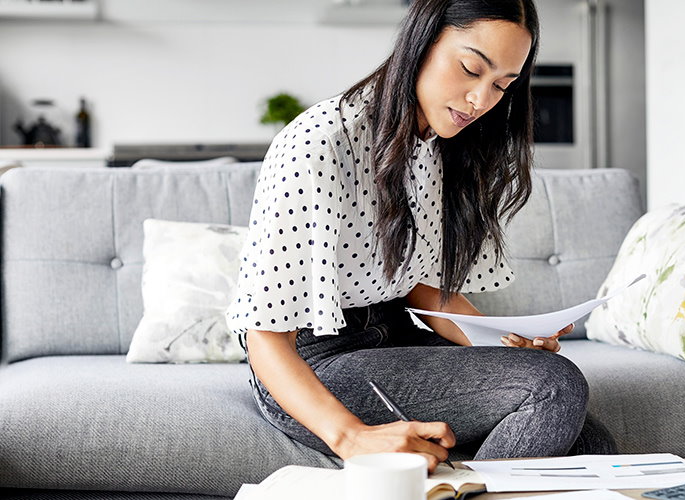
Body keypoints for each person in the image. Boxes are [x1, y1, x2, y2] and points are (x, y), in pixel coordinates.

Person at [224, 0, 616, 473]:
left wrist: (506, 346)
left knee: (589, 441)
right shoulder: (321, 141)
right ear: (422, 41)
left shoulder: (437, 144)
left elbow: (426, 289)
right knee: (554, 386)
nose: (481, 100)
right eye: (471, 69)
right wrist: (351, 438)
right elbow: (264, 335)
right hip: (314, 364)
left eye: (501, 86)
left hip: (393, 337)